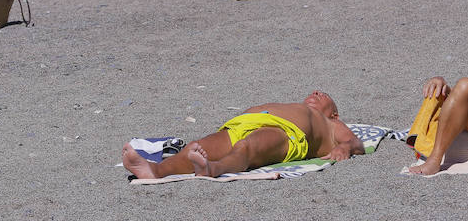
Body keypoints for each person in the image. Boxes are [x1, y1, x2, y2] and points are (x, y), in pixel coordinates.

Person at [121, 91, 365, 179]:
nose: (315, 92)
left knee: (248, 148)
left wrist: (344, 148)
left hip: (288, 133)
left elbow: (355, 142)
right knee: (196, 146)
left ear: (334, 113)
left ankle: (213, 169)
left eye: (323, 94)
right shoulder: (296, 106)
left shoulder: (330, 122)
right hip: (245, 123)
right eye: (315, 91)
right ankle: (155, 171)